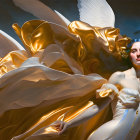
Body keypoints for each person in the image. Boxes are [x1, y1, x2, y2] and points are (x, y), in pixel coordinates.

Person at [50, 39, 140, 140]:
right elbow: (98, 106)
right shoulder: (120, 76)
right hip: (109, 134)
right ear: (129, 55)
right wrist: (69, 123)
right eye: (134, 51)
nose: (138, 54)